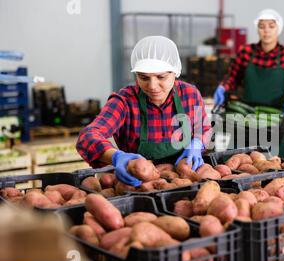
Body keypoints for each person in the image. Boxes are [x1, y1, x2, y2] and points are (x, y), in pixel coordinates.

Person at [77, 36, 212, 187]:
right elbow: (87, 136)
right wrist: (117, 157)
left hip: (182, 180)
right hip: (138, 184)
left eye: (161, 77)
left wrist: (197, 143)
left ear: (176, 72)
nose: (153, 86)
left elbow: (204, 128)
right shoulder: (124, 101)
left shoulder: (190, 95)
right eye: (144, 77)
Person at [213, 8, 284, 156]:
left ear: (278, 29)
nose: (266, 30)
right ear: (257, 29)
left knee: (272, 162)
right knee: (239, 158)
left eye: (271, 26)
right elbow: (233, 77)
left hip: (275, 116)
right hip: (245, 113)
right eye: (262, 26)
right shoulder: (246, 52)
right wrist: (223, 87)